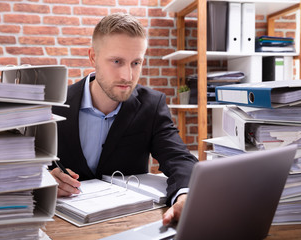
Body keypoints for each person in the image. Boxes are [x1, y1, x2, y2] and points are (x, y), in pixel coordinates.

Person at [50, 13, 198, 226]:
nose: (127, 76)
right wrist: (45, 179)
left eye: (136, 63)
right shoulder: (55, 103)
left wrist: (185, 195)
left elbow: (179, 158)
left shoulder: (152, 105)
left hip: (129, 223)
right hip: (63, 225)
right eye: (117, 61)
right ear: (93, 57)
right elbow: (26, 164)